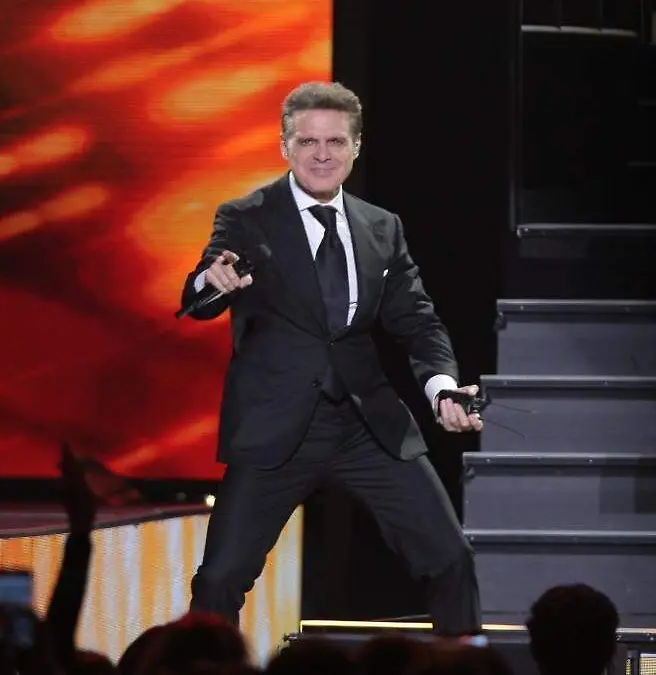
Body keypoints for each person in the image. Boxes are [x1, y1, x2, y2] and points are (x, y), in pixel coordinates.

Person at [179, 81, 483, 636]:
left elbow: (417, 321)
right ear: (285, 146)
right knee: (219, 579)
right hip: (276, 428)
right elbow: (202, 291)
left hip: (366, 427)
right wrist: (211, 282)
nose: (322, 154)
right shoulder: (248, 216)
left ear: (356, 147)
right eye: (308, 141)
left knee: (450, 558)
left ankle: (464, 665)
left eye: (336, 141)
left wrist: (442, 388)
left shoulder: (381, 227)